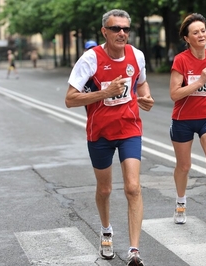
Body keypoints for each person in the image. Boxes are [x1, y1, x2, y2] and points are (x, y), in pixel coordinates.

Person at [65, 9, 154, 266]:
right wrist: (104, 94)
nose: (122, 33)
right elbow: (70, 99)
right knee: (104, 189)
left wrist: (145, 97)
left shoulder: (137, 55)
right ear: (105, 31)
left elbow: (141, 83)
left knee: (133, 187)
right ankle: (106, 231)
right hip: (100, 133)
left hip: (129, 129)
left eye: (126, 28)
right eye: (116, 28)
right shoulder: (90, 60)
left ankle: (134, 251)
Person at [169, 13, 206, 228]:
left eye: (203, 31)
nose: (201, 35)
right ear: (187, 38)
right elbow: (174, 94)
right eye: (196, 32)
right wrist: (202, 80)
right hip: (183, 119)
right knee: (184, 166)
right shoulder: (181, 60)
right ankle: (181, 203)